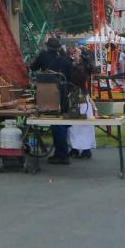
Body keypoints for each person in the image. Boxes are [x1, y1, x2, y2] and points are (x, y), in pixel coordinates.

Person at [30, 36, 74, 164]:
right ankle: (61, 152)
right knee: (60, 125)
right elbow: (70, 79)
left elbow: (33, 68)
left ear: (47, 47)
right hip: (63, 95)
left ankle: (62, 155)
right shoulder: (66, 60)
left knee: (57, 126)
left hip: (48, 96)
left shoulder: (43, 56)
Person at [68, 86, 97, 159]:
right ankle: (75, 149)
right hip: (75, 109)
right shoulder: (72, 89)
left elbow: (89, 99)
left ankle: (86, 150)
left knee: (85, 130)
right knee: (74, 129)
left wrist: (95, 109)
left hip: (85, 109)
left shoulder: (84, 90)